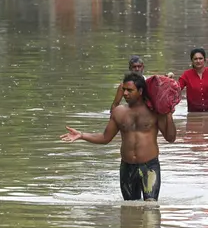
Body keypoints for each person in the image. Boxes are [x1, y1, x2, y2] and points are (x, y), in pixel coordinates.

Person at [61, 73, 176, 201]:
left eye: (130, 90)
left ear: (140, 91)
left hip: (149, 167)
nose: (125, 93)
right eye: (124, 90)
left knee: (151, 208)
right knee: (130, 209)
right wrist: (82, 135)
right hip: (127, 167)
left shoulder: (155, 111)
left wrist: (168, 114)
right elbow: (105, 137)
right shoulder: (119, 112)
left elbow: (170, 138)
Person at [177, 48, 208, 112]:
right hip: (193, 114)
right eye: (195, 59)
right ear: (192, 61)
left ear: (205, 60)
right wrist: (168, 80)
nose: (198, 61)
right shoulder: (187, 74)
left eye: (200, 58)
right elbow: (176, 88)